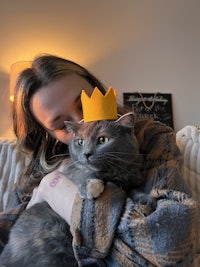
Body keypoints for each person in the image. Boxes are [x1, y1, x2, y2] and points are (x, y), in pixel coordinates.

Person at [0, 54, 197, 266]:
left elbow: (174, 249)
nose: (83, 124)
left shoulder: (151, 139)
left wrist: (60, 192)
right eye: (61, 125)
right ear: (49, 134)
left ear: (99, 90)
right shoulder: (39, 169)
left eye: (84, 106)